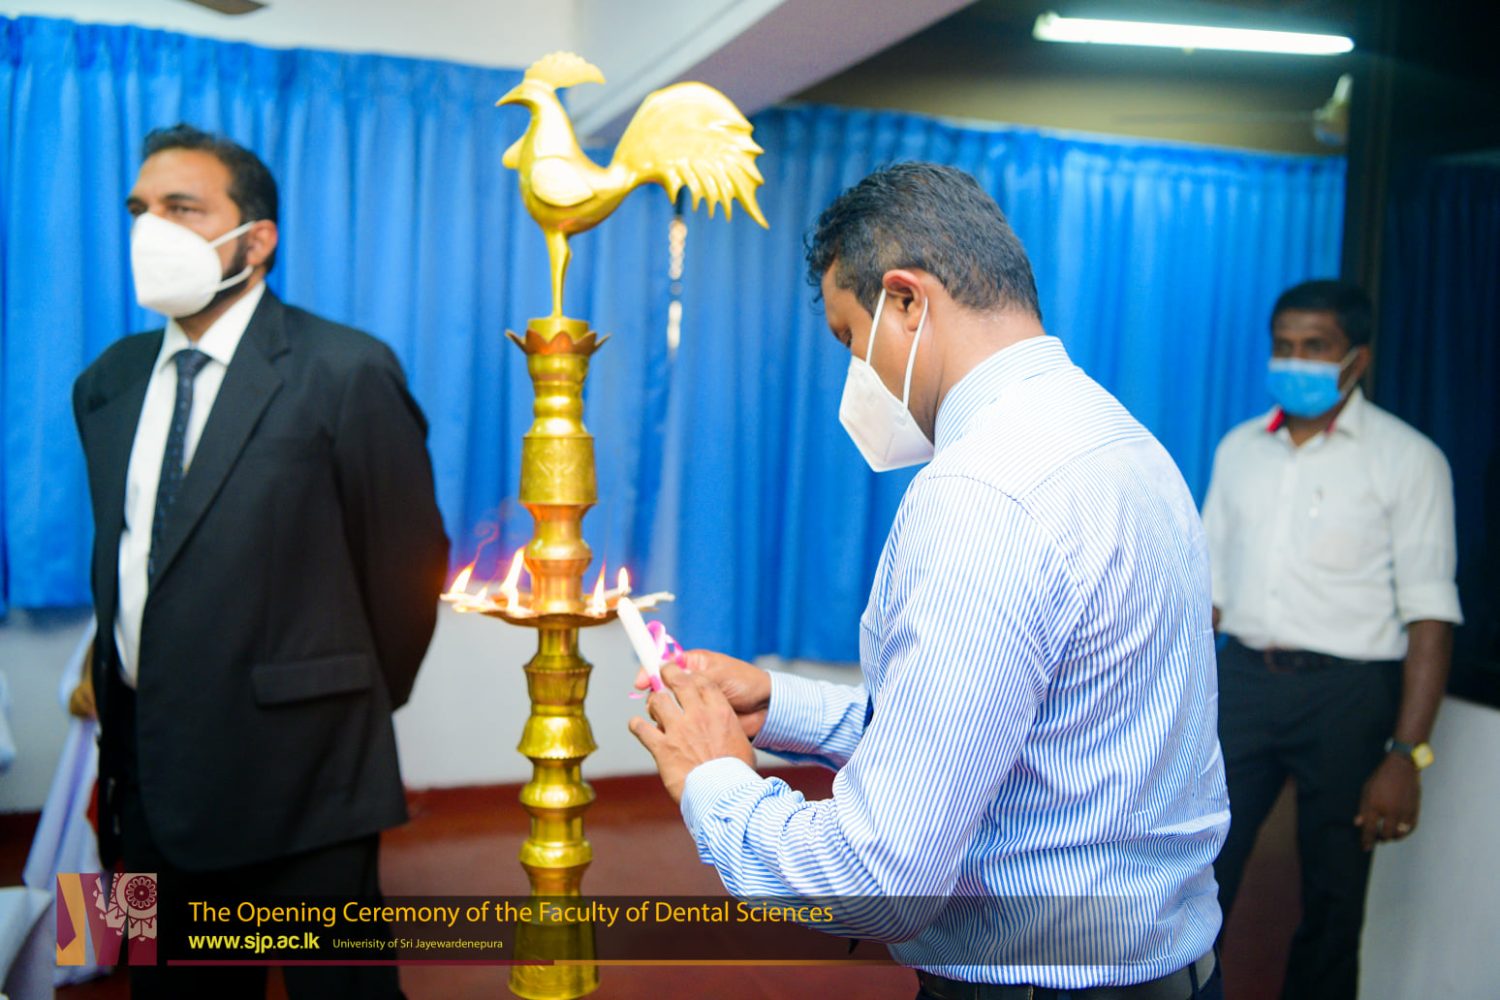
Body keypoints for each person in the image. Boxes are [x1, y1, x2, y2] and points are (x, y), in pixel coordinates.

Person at [628, 162, 1228, 999]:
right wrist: (781, 706)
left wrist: (714, 776)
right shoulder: (1121, 439)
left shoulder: (982, 492)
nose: (855, 375)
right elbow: (1025, 740)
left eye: (850, 339)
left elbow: (878, 878)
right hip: (1169, 969)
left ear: (907, 300)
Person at [72, 124, 449, 998]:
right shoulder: (107, 381)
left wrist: (343, 701)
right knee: (160, 985)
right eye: (139, 209)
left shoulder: (346, 369)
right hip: (141, 773)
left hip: (305, 773)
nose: (150, 230)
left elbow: (406, 571)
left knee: (339, 992)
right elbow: (129, 559)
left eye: (181, 208)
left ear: (257, 238)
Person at [1201, 280, 1461, 1000]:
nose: (1296, 361)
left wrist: (1406, 755)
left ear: (1357, 359)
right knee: (1196, 877)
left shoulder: (1409, 460)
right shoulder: (1240, 450)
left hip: (1348, 699)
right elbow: (1206, 595)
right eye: (1284, 346)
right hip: (1244, 683)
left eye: (1315, 347)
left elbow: (1431, 616)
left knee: (1334, 898)